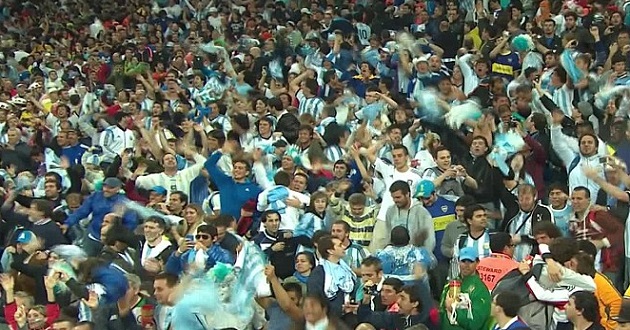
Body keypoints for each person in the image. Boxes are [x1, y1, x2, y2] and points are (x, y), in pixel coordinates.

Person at [439, 247, 491, 330]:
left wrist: (452, 309)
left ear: (477, 262)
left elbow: (476, 323)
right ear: (458, 262)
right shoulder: (450, 285)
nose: (466, 265)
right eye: (463, 261)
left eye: (470, 261)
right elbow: (441, 313)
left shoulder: (480, 290)